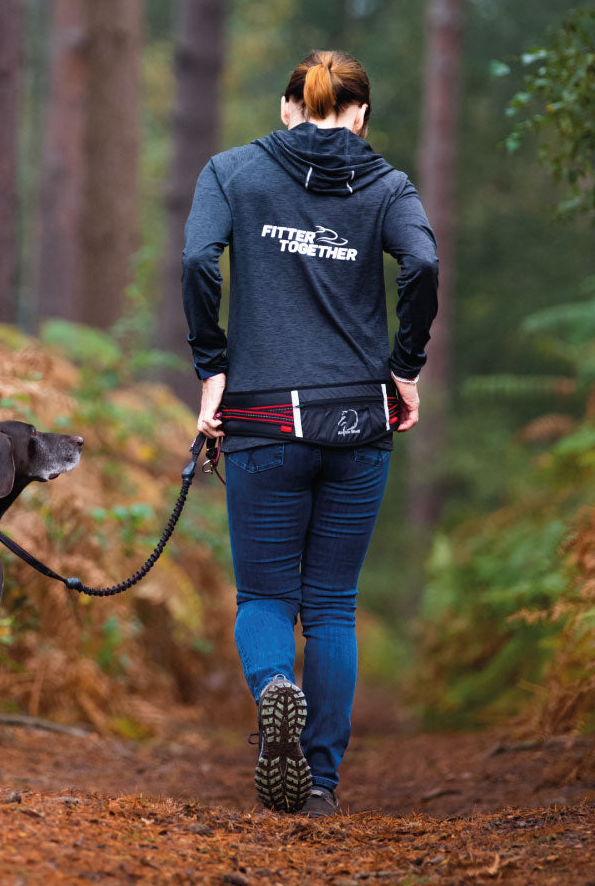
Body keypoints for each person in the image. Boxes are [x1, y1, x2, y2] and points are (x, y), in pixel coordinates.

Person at [181, 49, 438, 817]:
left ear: (288, 107)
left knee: (264, 593)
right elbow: (421, 263)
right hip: (360, 420)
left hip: (262, 416)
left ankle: (275, 689)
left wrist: (212, 365)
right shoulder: (388, 184)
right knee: (330, 605)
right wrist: (405, 365)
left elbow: (199, 258)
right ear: (359, 115)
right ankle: (320, 781)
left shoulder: (233, 171)